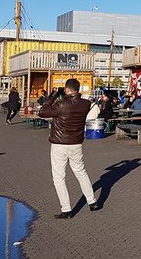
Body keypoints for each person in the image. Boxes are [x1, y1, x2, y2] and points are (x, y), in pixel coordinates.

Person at [37, 78, 100, 218]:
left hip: (59, 144)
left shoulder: (60, 105)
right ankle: (92, 201)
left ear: (67, 89)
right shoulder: (86, 104)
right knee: (81, 172)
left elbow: (42, 111)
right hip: (76, 143)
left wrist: (52, 96)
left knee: (59, 177)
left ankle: (66, 209)